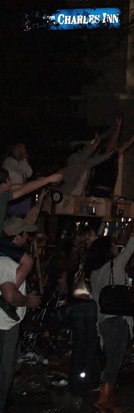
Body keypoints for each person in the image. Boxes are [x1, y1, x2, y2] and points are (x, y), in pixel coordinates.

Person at [87, 204, 134, 413]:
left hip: (103, 320)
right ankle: (103, 399)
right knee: (114, 362)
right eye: (114, 245)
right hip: (117, 320)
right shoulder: (115, 266)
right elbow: (132, 243)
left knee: (112, 360)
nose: (118, 248)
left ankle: (107, 399)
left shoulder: (96, 273)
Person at [0, 224, 41, 413]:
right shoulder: (6, 262)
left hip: (7, 322)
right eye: (26, 233)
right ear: (17, 236)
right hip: (4, 324)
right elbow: (10, 295)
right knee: (5, 372)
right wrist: (27, 300)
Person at [66, 226, 101, 395]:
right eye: (94, 234)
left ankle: (74, 380)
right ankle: (88, 380)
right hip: (88, 302)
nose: (97, 237)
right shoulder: (92, 257)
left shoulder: (73, 257)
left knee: (78, 343)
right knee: (90, 343)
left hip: (75, 303)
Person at [3, 142, 33, 217]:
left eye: (23, 148)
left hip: (21, 193)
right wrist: (23, 160)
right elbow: (23, 169)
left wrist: (24, 160)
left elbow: (29, 173)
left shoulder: (20, 163)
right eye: (19, 148)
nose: (22, 150)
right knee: (14, 217)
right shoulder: (9, 161)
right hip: (13, 193)